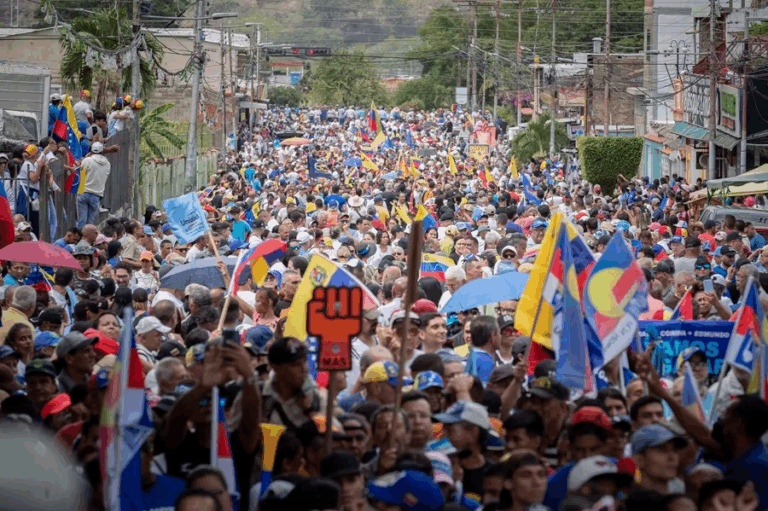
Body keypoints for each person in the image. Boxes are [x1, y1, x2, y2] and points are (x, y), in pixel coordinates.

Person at [77, 142, 112, 228]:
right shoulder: (107, 164)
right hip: (96, 195)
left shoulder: (87, 161)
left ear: (91, 150)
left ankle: (80, 235)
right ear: (102, 151)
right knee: (90, 222)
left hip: (84, 192)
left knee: (81, 221)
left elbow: (82, 176)